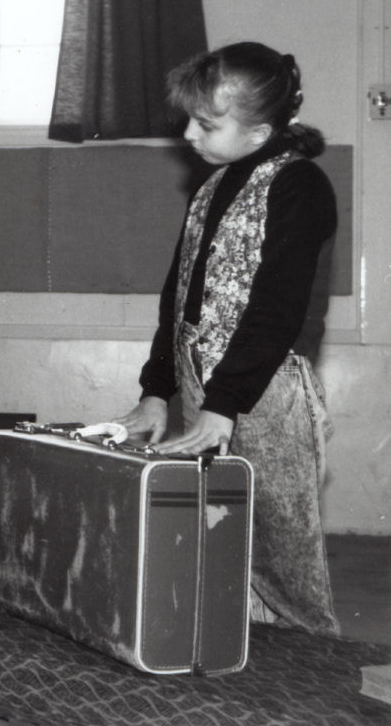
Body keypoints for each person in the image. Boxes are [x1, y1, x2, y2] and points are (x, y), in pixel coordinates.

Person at [114, 42, 341, 637]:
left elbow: (275, 313)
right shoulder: (213, 186)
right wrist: (157, 390)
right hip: (205, 392)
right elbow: (178, 297)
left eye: (208, 123)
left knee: (281, 560)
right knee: (219, 554)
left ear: (260, 129)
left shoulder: (299, 187)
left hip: (262, 394)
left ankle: (317, 686)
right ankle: (240, 680)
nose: (189, 132)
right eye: (188, 118)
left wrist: (223, 405)